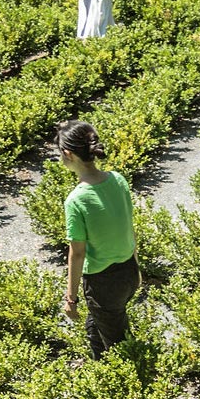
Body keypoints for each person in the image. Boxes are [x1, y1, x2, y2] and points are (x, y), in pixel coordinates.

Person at [60, 120, 140, 357]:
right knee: (100, 326)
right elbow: (129, 227)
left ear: (68, 154)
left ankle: (130, 383)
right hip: (128, 272)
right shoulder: (118, 179)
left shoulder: (76, 200)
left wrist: (71, 299)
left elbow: (78, 253)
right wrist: (137, 268)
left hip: (103, 283)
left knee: (121, 348)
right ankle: (98, 367)